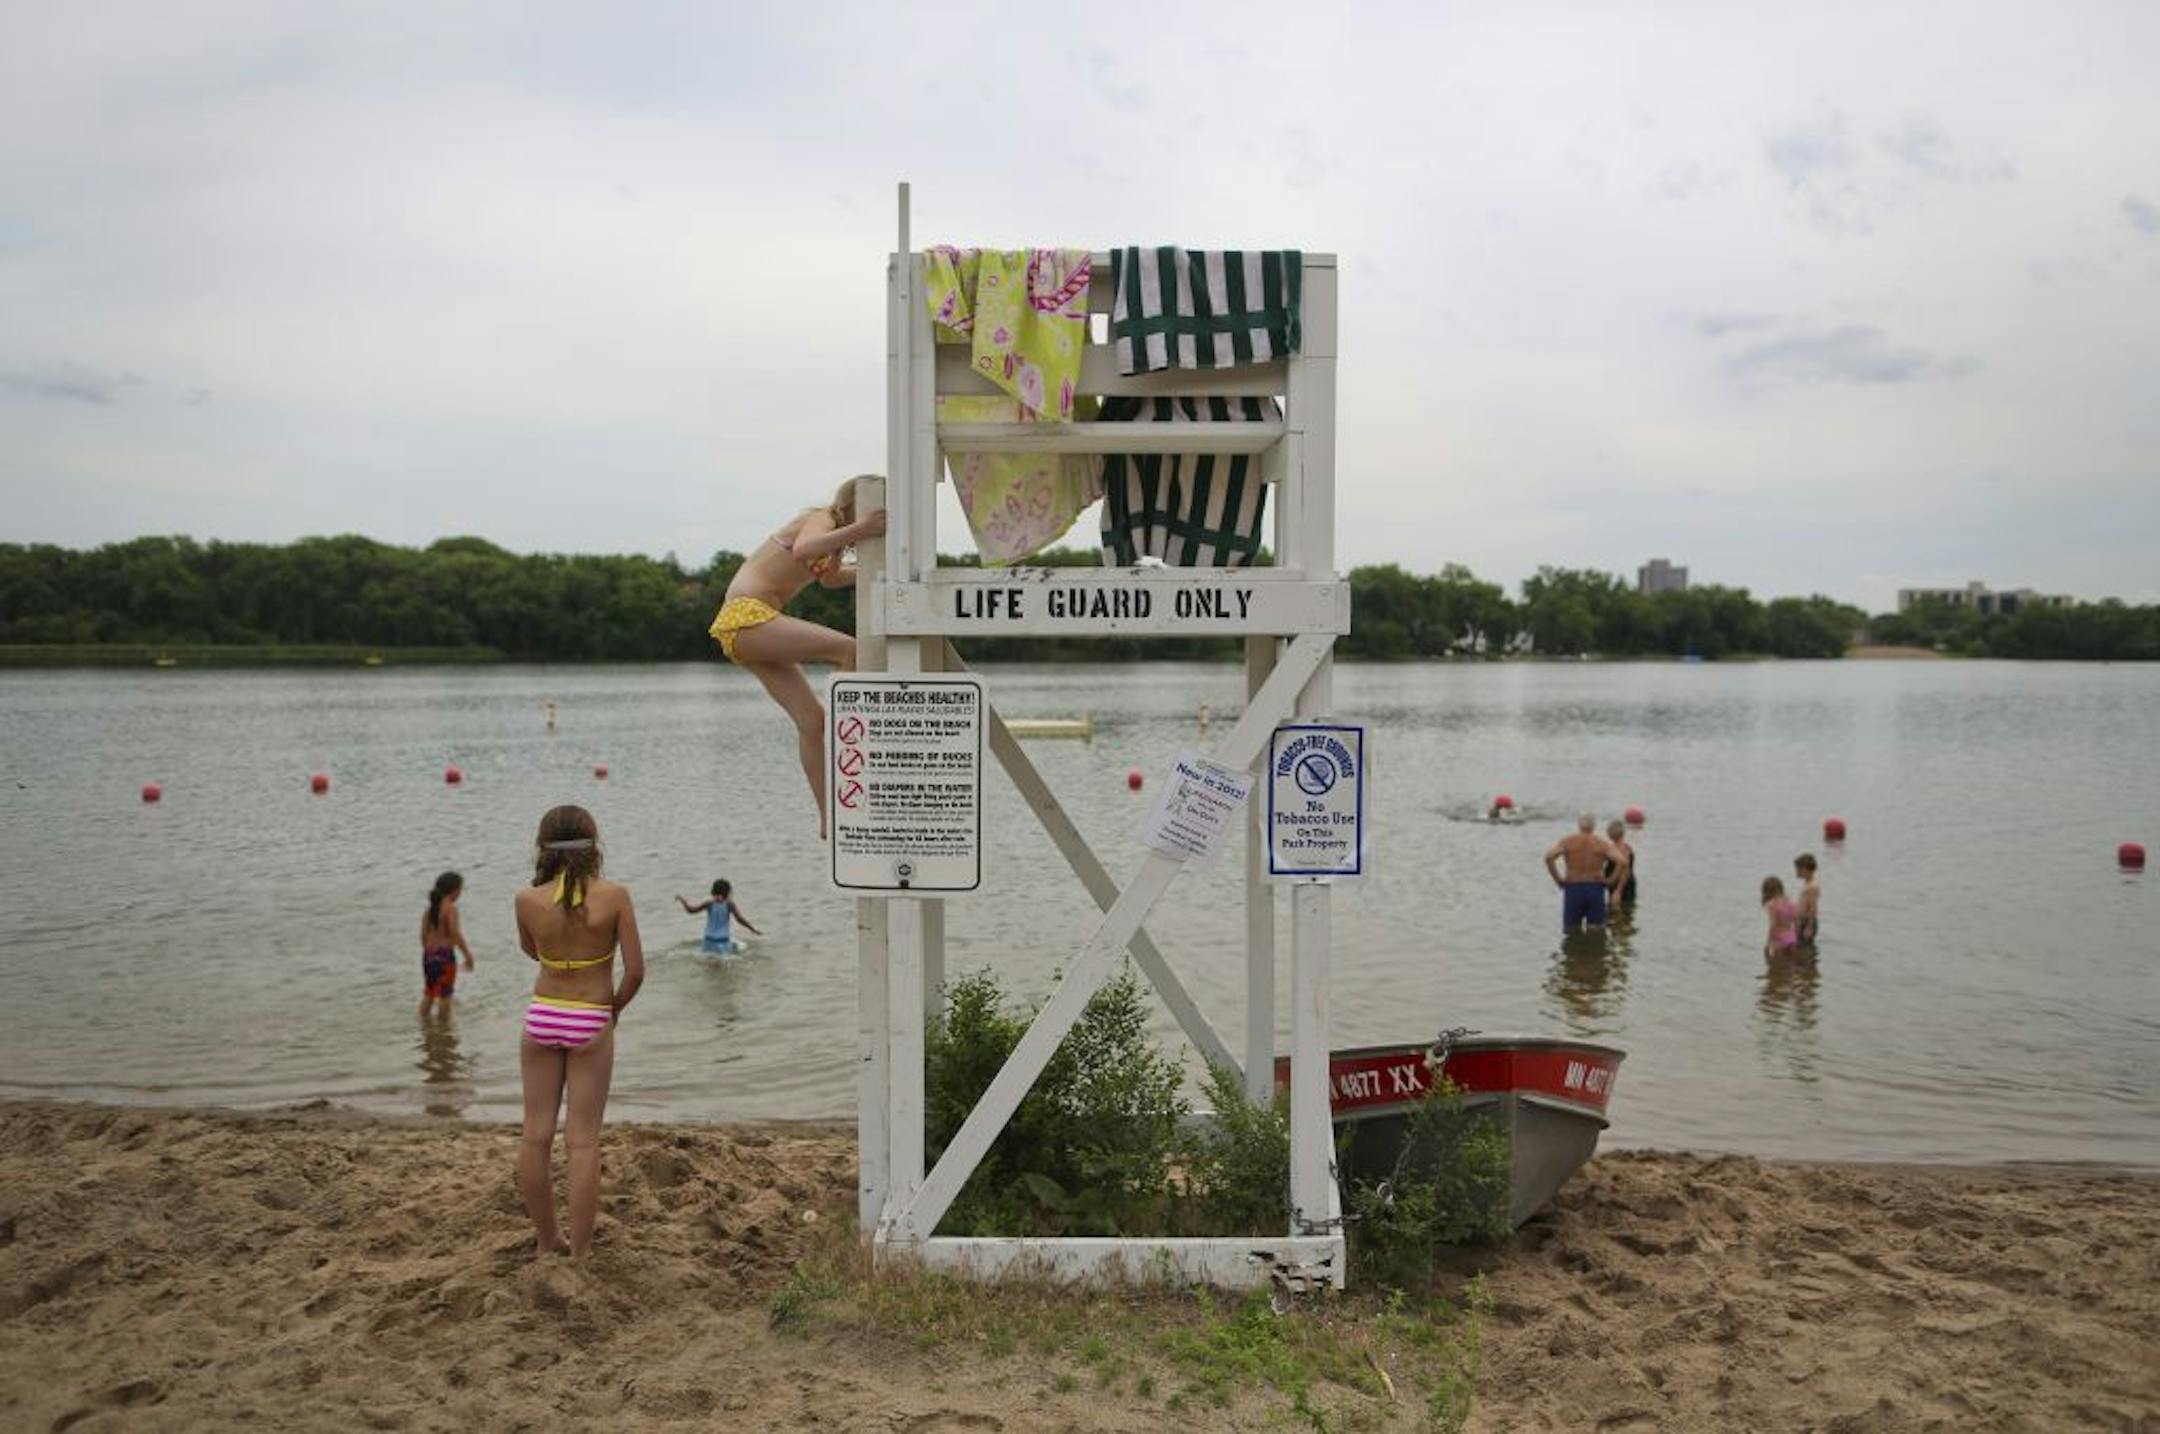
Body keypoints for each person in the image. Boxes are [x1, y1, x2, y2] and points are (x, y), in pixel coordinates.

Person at [709, 478, 888, 839]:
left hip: (748, 629)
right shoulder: (821, 517)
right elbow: (803, 549)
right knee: (849, 649)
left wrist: (875, 572)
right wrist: (864, 528)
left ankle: (829, 818)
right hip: (748, 616)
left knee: (812, 722)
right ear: (854, 508)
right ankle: (852, 727)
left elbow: (831, 580)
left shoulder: (833, 541)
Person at [513, 805, 644, 1258]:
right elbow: (635, 973)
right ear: (594, 845)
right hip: (590, 1015)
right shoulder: (615, 896)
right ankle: (581, 1255)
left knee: (535, 1135)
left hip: (543, 1014)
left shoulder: (527, 900)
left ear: (542, 847)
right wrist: (613, 1012)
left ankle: (548, 1240)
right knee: (583, 1140)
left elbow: (532, 951)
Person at [1544, 813, 1617, 932]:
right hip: (1595, 888)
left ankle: (1574, 949)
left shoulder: (1568, 842)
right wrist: (1611, 881)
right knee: (1596, 930)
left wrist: (1558, 880)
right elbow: (1622, 863)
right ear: (1594, 827)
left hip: (1573, 888)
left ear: (1579, 826)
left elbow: (1548, 858)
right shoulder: (1602, 844)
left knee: (1571, 930)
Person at [418, 871, 475, 1018]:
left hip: (429, 955)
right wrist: (468, 955)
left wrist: (429, 952)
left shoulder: (429, 910)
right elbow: (455, 933)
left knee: (429, 993)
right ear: (455, 891)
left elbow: (423, 935)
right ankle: (443, 1029)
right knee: (445, 994)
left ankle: (424, 1023)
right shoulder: (450, 909)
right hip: (445, 956)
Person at [677, 879, 762, 955]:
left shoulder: (709, 904)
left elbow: (691, 910)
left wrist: (683, 901)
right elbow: (739, 919)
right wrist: (753, 929)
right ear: (727, 893)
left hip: (708, 941)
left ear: (713, 891)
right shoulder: (729, 904)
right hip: (722, 941)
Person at [1762, 875, 1801, 958]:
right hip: (1792, 937)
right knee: (1790, 966)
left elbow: (1773, 925)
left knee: (1777, 967)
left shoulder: (1771, 905)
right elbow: (1797, 922)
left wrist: (1768, 943)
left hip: (1779, 939)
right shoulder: (1791, 903)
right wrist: (1797, 937)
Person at [1603, 819, 1637, 909]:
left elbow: (1626, 870)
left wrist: (1619, 890)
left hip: (1621, 885)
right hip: (1617, 884)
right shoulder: (1614, 847)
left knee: (1621, 910)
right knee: (1615, 911)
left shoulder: (1622, 848)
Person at [1793, 853, 1821, 943]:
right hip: (1802, 920)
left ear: (1806, 869)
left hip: (1807, 922)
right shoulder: (1807, 884)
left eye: (1798, 869)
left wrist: (1808, 927)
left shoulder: (1812, 886)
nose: (1796, 872)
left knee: (1805, 947)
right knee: (1799, 947)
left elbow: (1813, 908)